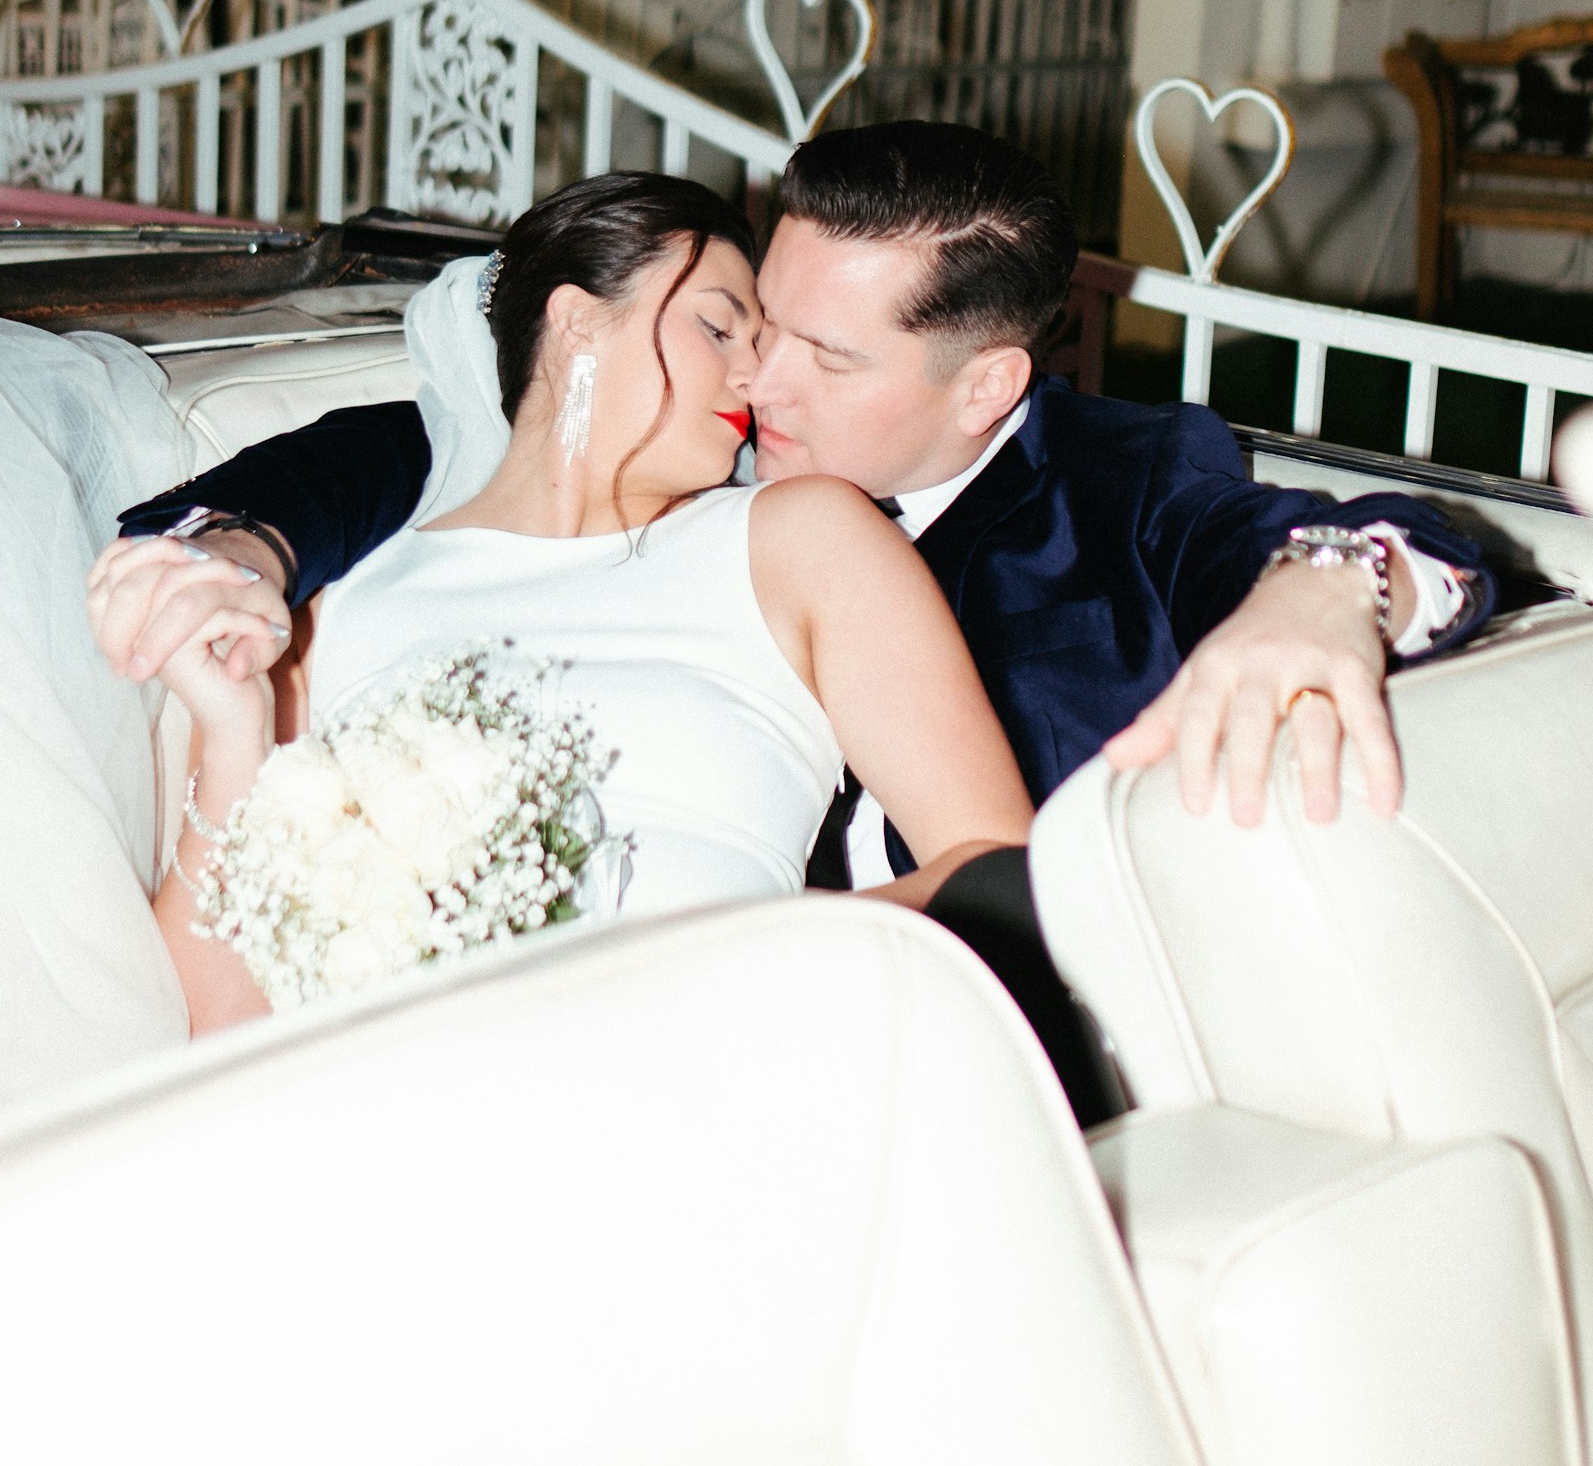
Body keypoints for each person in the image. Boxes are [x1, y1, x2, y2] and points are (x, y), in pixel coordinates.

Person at [113, 123, 1493, 881]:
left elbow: (1426, 548)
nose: (759, 374)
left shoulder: (1121, 485)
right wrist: (241, 544)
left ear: (986, 385)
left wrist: (1328, 591)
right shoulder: (716, 452)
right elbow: (426, 445)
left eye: (826, 358)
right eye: (759, 321)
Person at [92, 174, 1037, 1041]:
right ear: (578, 321)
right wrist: (233, 729)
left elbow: (995, 864)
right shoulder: (341, 606)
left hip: (720, 1059)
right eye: (719, 329)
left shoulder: (804, 540)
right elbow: (224, 1021)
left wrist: (739, 953)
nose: (756, 377)